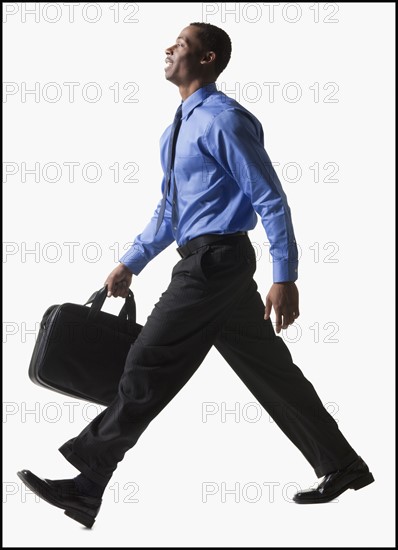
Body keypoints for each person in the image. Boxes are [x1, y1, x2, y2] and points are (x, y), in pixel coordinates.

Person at [18, 22, 374, 528]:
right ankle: (343, 465)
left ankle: (88, 479)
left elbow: (269, 197)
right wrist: (131, 261)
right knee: (271, 372)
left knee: (147, 359)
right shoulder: (177, 128)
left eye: (181, 44)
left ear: (208, 59)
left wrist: (285, 275)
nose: (169, 48)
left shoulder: (225, 120)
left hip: (214, 264)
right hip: (208, 263)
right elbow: (170, 211)